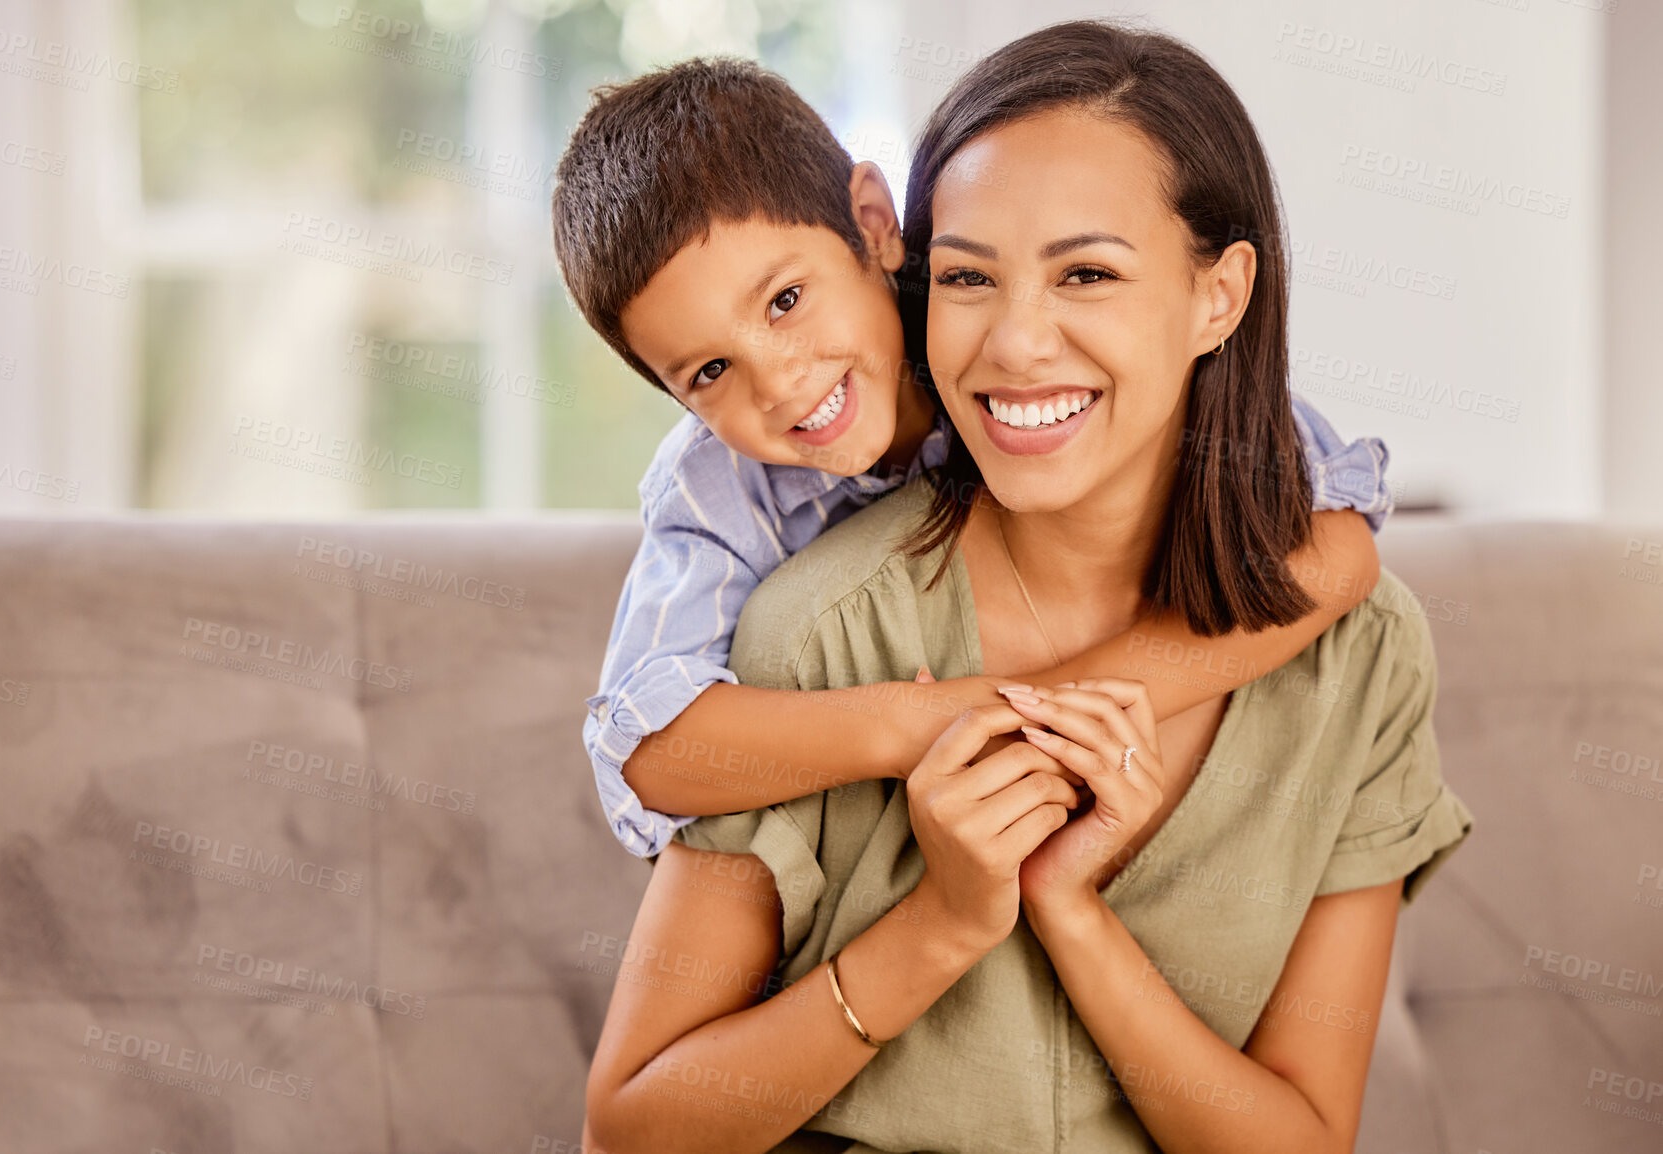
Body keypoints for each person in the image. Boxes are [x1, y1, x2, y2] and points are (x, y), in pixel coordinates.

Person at [581, 22, 1474, 1154]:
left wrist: (1065, 895)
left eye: (1087, 272)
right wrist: (942, 884)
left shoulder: (1359, 649)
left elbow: (1338, 541)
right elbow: (633, 1114)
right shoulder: (794, 612)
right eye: (968, 277)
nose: (1015, 341)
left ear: (1218, 294)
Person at [550, 57, 1393, 861]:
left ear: (875, 226)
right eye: (709, 371)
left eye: (786, 300)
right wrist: (922, 724)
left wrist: (1065, 707)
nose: (779, 382)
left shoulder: (1003, 338)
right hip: (877, 842)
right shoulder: (718, 483)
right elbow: (645, 753)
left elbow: (1341, 540)